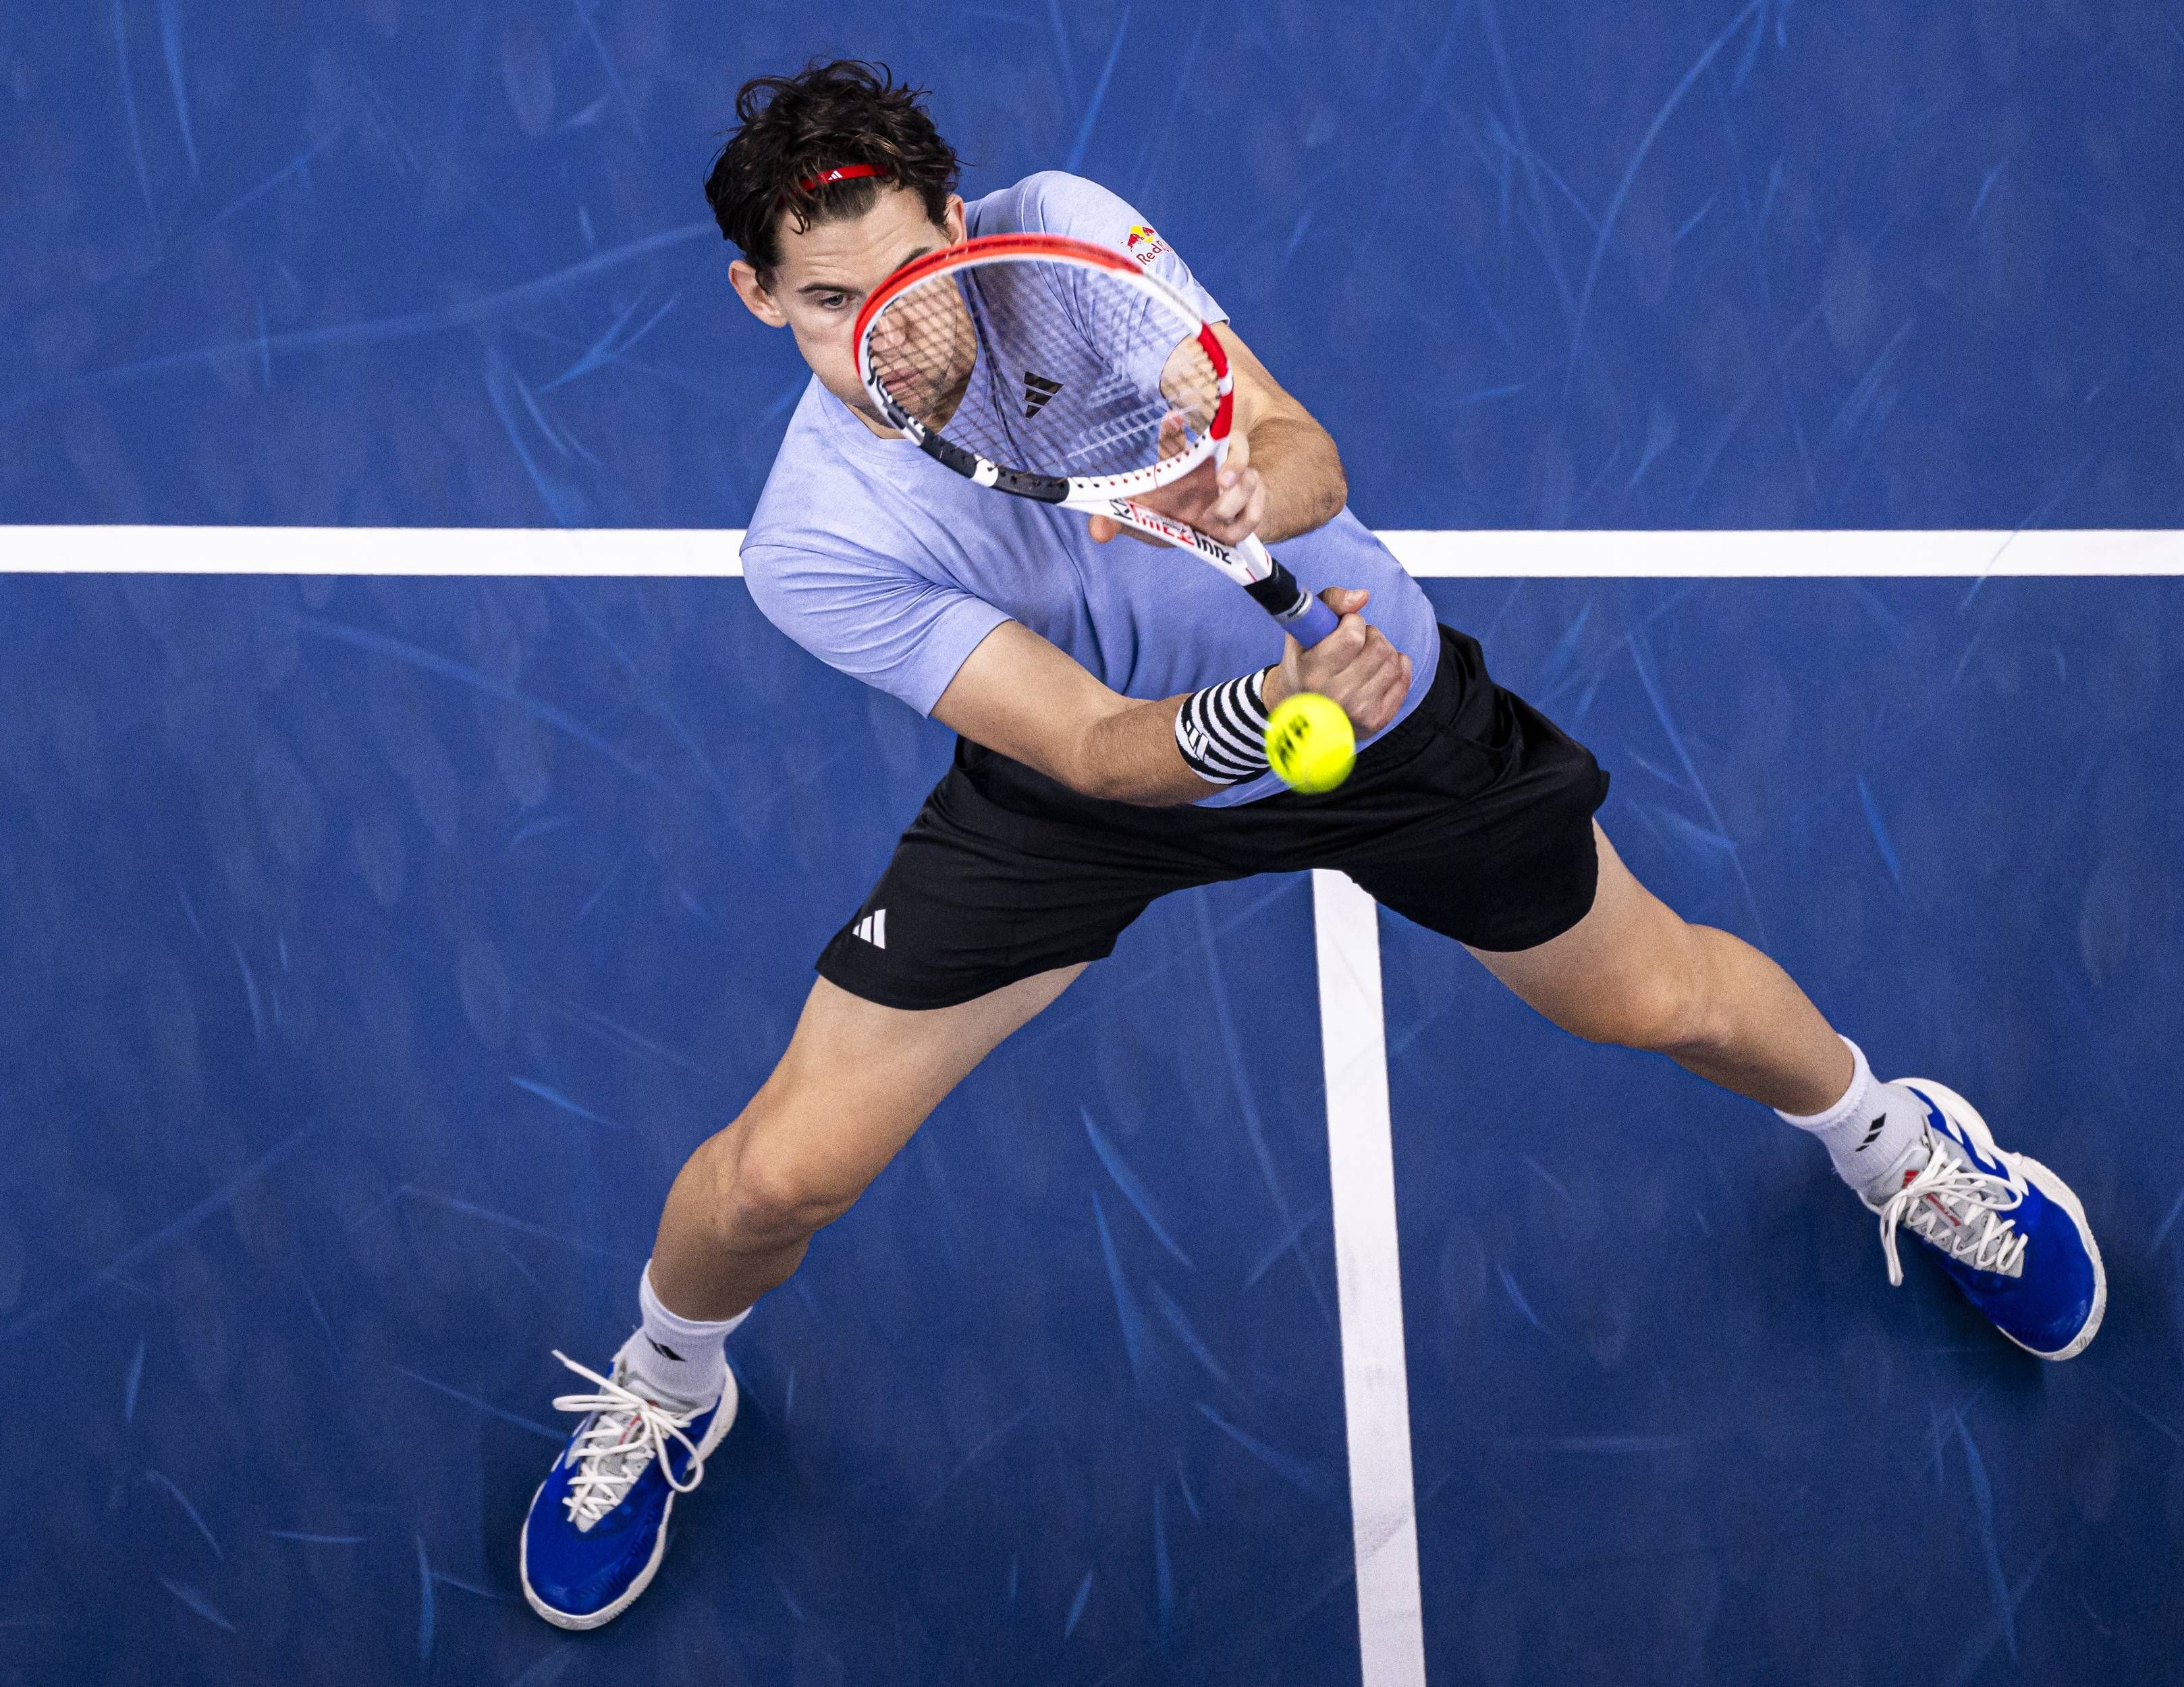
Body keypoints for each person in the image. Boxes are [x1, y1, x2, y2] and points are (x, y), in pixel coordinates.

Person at [517, 57, 2104, 1631]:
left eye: (922, 272)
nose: (898, 330)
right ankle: (668, 1383)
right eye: (829, 303)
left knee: (1664, 1000)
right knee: (785, 1170)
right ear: (756, 298)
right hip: (1110, 784)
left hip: (1381, 697)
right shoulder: (810, 544)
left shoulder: (1063, 241)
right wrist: (1255, 714)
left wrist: (1243, 491)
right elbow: (1077, 741)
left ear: (966, 218)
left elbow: (1308, 454)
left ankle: (1895, 1138)